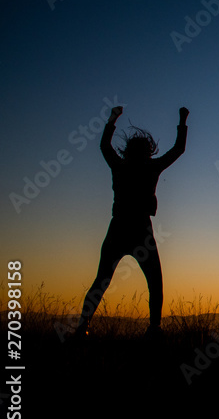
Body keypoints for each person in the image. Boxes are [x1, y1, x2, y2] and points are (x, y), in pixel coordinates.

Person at [76, 105, 188, 338]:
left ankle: (83, 326)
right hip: (140, 229)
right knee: (154, 281)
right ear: (148, 151)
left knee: (102, 280)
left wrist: (112, 119)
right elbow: (178, 149)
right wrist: (182, 120)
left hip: (119, 227)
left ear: (128, 150)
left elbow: (105, 146)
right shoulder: (150, 166)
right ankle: (154, 328)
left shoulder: (121, 166)